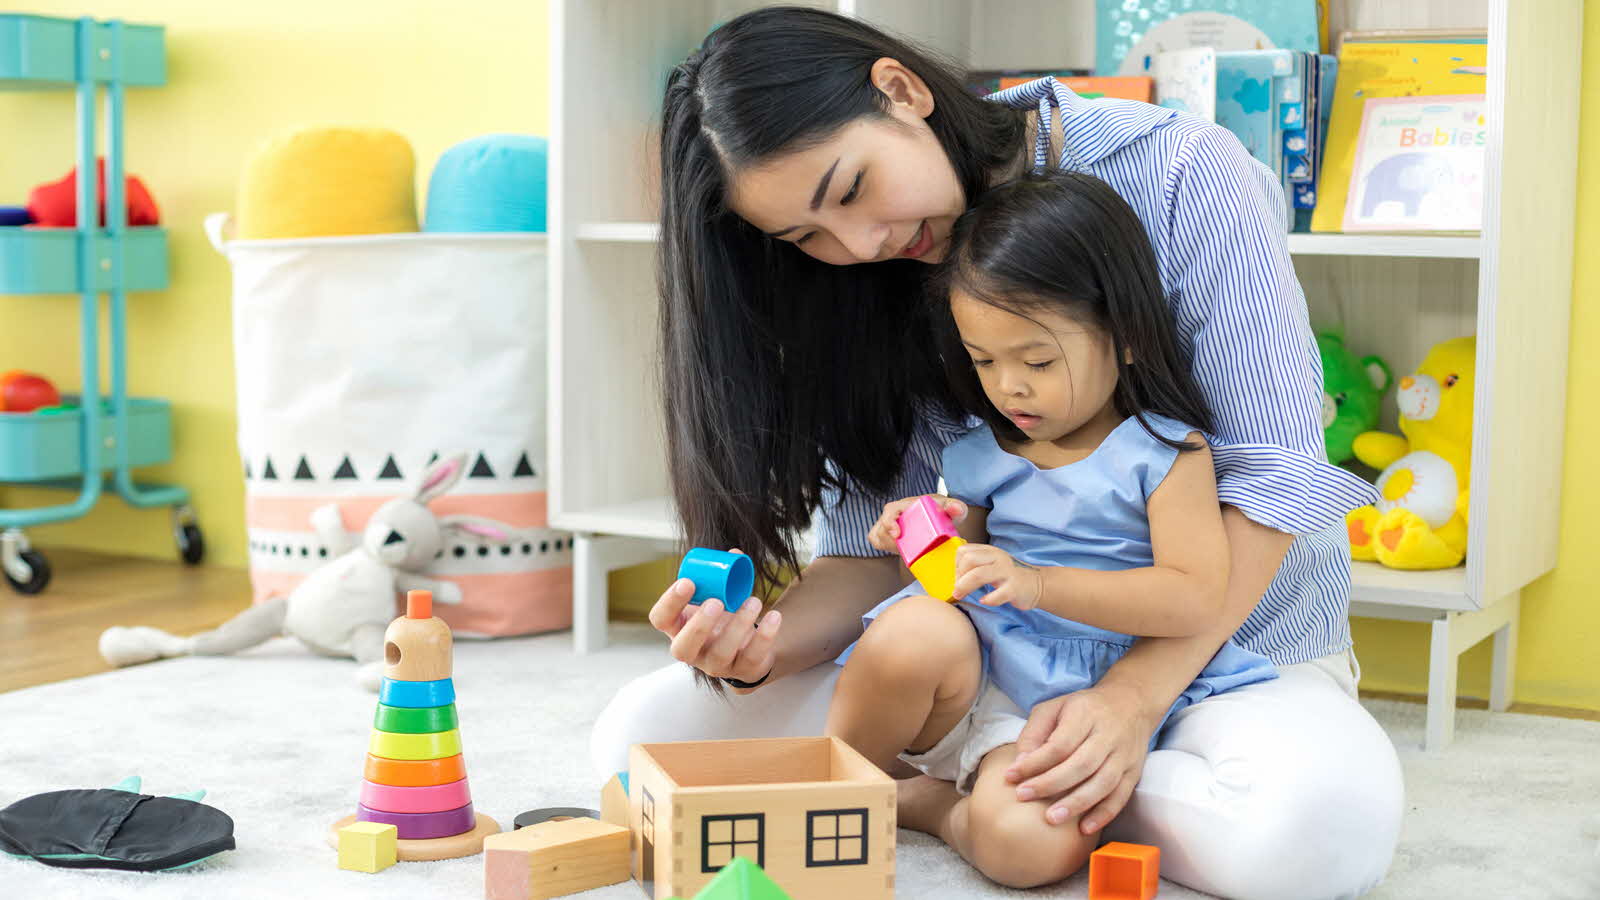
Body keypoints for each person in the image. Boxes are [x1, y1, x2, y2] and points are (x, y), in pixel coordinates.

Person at [594, 7, 1404, 898]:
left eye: (852, 188)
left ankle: (1004, 788)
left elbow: (1278, 472)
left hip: (1225, 658)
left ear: (899, 92)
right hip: (993, 664)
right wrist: (762, 648)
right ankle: (1019, 789)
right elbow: (882, 552)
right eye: (806, 238)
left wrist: (1131, 702)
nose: (858, 246)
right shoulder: (870, 272)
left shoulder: (1179, 170)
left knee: (1315, 832)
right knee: (636, 730)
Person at [826, 169, 1279, 888]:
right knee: (911, 632)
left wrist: (1035, 583)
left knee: (1026, 846)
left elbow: (1194, 597)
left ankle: (931, 808)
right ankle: (832, 787)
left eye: (1036, 360)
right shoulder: (979, 452)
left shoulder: (1165, 454)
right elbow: (952, 577)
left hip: (1077, 699)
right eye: (983, 362)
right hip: (981, 672)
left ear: (1125, 337)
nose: (1009, 387)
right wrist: (925, 534)